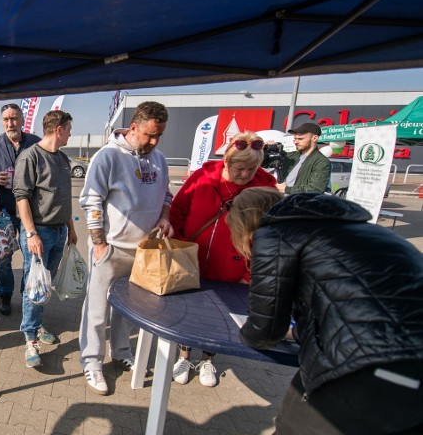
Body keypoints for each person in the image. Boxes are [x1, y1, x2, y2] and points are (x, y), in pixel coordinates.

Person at [228, 188, 423, 435]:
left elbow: (265, 330)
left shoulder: (276, 232)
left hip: (359, 369)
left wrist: (244, 333)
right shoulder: (364, 231)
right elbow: (358, 300)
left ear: (245, 221)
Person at [168, 131, 277, 387]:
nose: (245, 174)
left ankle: (208, 358)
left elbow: (269, 236)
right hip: (192, 259)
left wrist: (250, 273)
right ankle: (184, 354)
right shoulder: (203, 177)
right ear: (226, 162)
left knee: (220, 316)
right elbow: (179, 210)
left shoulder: (264, 187)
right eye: (240, 168)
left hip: (234, 266)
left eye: (251, 168)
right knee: (190, 311)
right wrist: (179, 246)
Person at [78, 102, 173, 394]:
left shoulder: (159, 159)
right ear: (133, 128)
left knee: (128, 309)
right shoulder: (107, 157)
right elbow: (91, 200)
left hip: (144, 251)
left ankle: (121, 352)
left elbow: (167, 193)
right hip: (111, 249)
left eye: (159, 136)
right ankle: (92, 362)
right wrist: (98, 242)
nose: (154, 142)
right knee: (97, 309)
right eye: (149, 135)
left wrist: (165, 216)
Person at [14, 109, 77, 368]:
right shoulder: (30, 157)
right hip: (38, 233)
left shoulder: (63, 159)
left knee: (44, 285)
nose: (71, 133)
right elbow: (21, 198)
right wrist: (31, 234)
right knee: (35, 288)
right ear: (59, 128)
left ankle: (37, 325)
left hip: (59, 231)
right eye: (69, 129)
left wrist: (71, 228)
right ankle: (30, 341)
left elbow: (64, 199)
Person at [0, 103, 41, 315]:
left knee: (31, 256)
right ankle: (5, 295)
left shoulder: (35, 143)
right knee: (4, 258)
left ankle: (27, 294)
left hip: (30, 211)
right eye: (6, 120)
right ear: (2, 122)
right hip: (4, 211)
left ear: (22, 119)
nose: (10, 123)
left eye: (14, 118)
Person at [276, 122, 330, 194]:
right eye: (295, 139)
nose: (296, 142)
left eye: (300, 139)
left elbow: (315, 189)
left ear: (314, 138)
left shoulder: (321, 161)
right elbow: (265, 163)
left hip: (300, 203)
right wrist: (262, 149)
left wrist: (286, 189)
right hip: (283, 200)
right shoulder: (292, 155)